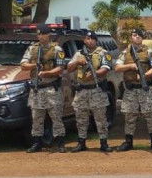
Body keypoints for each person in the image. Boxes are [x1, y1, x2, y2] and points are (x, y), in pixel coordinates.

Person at [20, 24, 67, 153]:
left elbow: (60, 68)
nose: (40, 36)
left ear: (48, 35)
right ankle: (37, 143)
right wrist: (35, 65)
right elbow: (23, 65)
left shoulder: (57, 49)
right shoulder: (32, 49)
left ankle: (60, 143)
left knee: (56, 116)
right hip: (36, 88)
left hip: (51, 88)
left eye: (43, 34)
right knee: (36, 117)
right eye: (39, 34)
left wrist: (47, 73)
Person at [114, 28, 152, 151]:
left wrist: (144, 75)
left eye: (139, 35)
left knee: (150, 115)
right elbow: (117, 67)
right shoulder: (125, 52)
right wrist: (129, 66)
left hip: (145, 89)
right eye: (134, 35)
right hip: (131, 90)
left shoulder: (149, 52)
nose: (136, 37)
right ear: (131, 37)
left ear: (142, 38)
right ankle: (128, 142)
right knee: (130, 116)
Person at [66, 30, 113, 153]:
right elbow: (69, 68)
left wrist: (93, 74)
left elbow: (105, 69)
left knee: (100, 118)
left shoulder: (103, 53)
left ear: (96, 40)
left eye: (92, 38)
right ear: (84, 40)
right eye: (87, 38)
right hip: (81, 91)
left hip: (97, 90)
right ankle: (81, 143)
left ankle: (104, 142)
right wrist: (77, 62)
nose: (90, 40)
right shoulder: (79, 54)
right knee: (81, 119)